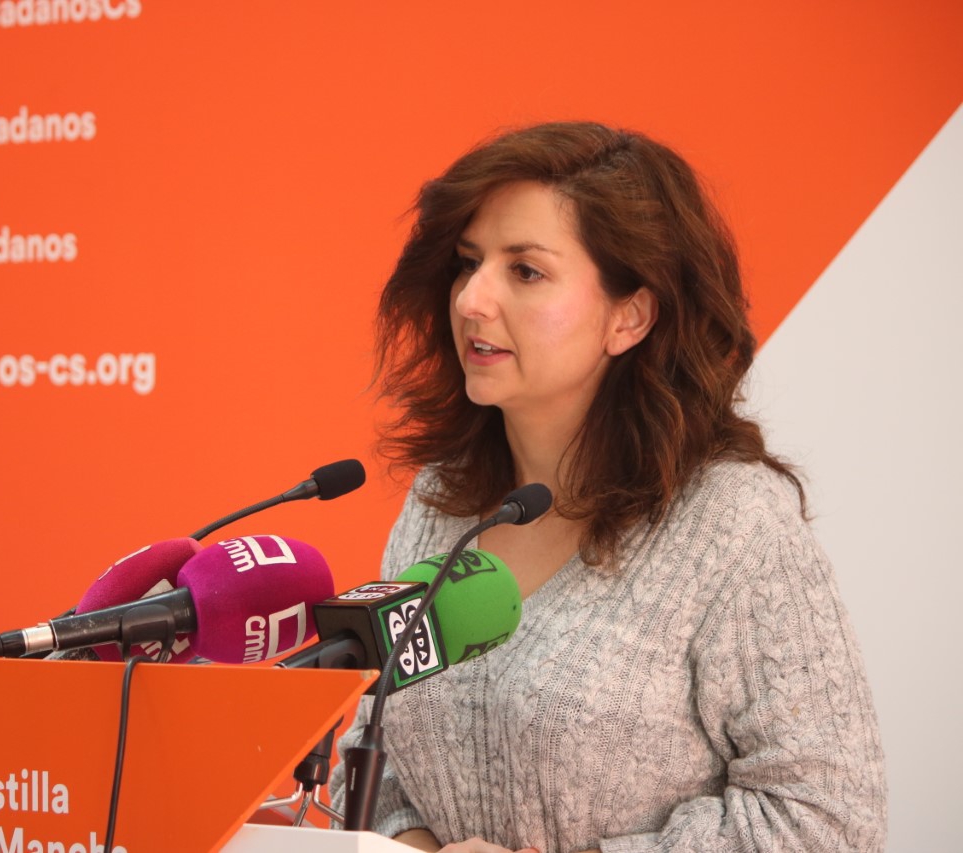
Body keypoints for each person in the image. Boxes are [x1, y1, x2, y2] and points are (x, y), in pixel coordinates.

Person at [328, 122, 887, 853]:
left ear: (630, 316)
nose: (471, 299)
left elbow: (828, 819)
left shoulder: (733, 524)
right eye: (469, 264)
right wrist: (416, 843)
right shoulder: (442, 500)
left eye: (525, 271)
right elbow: (373, 752)